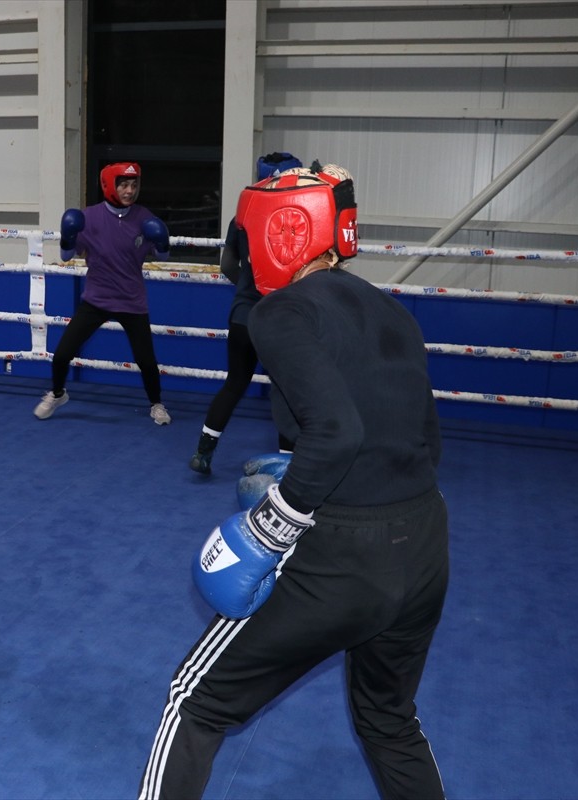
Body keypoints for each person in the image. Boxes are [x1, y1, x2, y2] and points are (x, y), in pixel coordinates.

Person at [140, 163, 449, 800]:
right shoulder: (393, 311)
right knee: (390, 719)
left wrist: (273, 523)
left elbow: (337, 433)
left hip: (339, 558)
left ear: (280, 234)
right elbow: (426, 443)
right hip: (423, 546)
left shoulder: (279, 313)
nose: (244, 254)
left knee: (193, 702)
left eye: (249, 237)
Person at [188, 153, 303, 474]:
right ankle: (286, 467)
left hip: (242, 315)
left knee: (235, 382)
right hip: (279, 318)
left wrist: (250, 287)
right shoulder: (297, 218)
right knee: (286, 390)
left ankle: (203, 453)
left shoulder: (242, 214)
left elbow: (227, 265)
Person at [33, 162, 173, 425]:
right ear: (110, 185)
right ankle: (58, 394)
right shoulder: (89, 217)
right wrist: (68, 237)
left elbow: (163, 255)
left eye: (134, 185)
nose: (129, 191)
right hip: (96, 299)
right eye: (123, 185)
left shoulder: (144, 218)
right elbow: (65, 257)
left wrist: (163, 239)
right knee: (63, 353)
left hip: (131, 301)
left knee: (146, 360)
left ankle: (157, 404)